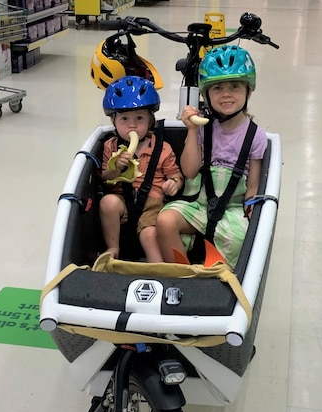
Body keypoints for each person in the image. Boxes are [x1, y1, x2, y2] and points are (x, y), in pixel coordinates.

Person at [157, 45, 268, 268]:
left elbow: (253, 185)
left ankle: (215, 279)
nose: (226, 94)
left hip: (233, 208)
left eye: (234, 86)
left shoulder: (256, 136)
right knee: (165, 220)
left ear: (249, 91)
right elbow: (189, 171)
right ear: (206, 95)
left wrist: (251, 213)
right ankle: (182, 273)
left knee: (238, 239)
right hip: (198, 203)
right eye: (217, 88)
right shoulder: (203, 129)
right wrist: (191, 130)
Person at [99, 76, 183, 262]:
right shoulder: (110, 147)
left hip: (153, 203)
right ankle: (112, 248)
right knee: (107, 202)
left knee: (149, 235)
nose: (132, 124)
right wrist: (116, 167)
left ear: (150, 120)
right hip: (122, 199)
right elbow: (105, 178)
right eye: (124, 118)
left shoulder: (163, 148)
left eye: (139, 118)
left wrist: (173, 184)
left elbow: (176, 176)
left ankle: (158, 268)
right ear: (114, 121)